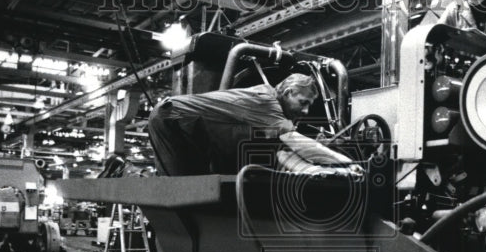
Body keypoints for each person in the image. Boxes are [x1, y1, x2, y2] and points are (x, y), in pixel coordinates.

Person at [147, 72, 359, 176]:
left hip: (189, 130)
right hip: (171, 117)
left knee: (197, 186)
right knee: (184, 190)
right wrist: (345, 162)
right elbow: (296, 143)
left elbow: (285, 155)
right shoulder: (266, 100)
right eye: (302, 103)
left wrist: (333, 172)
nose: (304, 111)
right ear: (287, 92)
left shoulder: (268, 122)